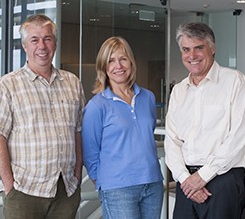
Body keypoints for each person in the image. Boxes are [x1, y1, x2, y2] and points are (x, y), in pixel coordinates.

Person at [164, 22, 245, 218]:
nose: (192, 55)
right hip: (186, 181)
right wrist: (186, 179)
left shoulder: (235, 81)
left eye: (199, 48)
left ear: (212, 49)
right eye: (186, 49)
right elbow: (172, 141)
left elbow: (240, 137)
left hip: (223, 179)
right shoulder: (179, 90)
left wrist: (202, 177)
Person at [0, 14, 85, 218]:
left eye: (47, 38)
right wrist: (9, 184)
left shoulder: (73, 83)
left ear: (55, 43)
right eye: (35, 40)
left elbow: (78, 132)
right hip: (24, 192)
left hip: (65, 190)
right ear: (24, 46)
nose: (42, 46)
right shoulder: (8, 85)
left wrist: (77, 174)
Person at [82, 36, 164, 219]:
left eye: (123, 59)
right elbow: (90, 153)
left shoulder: (148, 97)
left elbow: (144, 137)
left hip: (152, 183)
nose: (118, 66)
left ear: (131, 62)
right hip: (118, 189)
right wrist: (106, 183)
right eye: (111, 61)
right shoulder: (97, 106)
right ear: (104, 67)